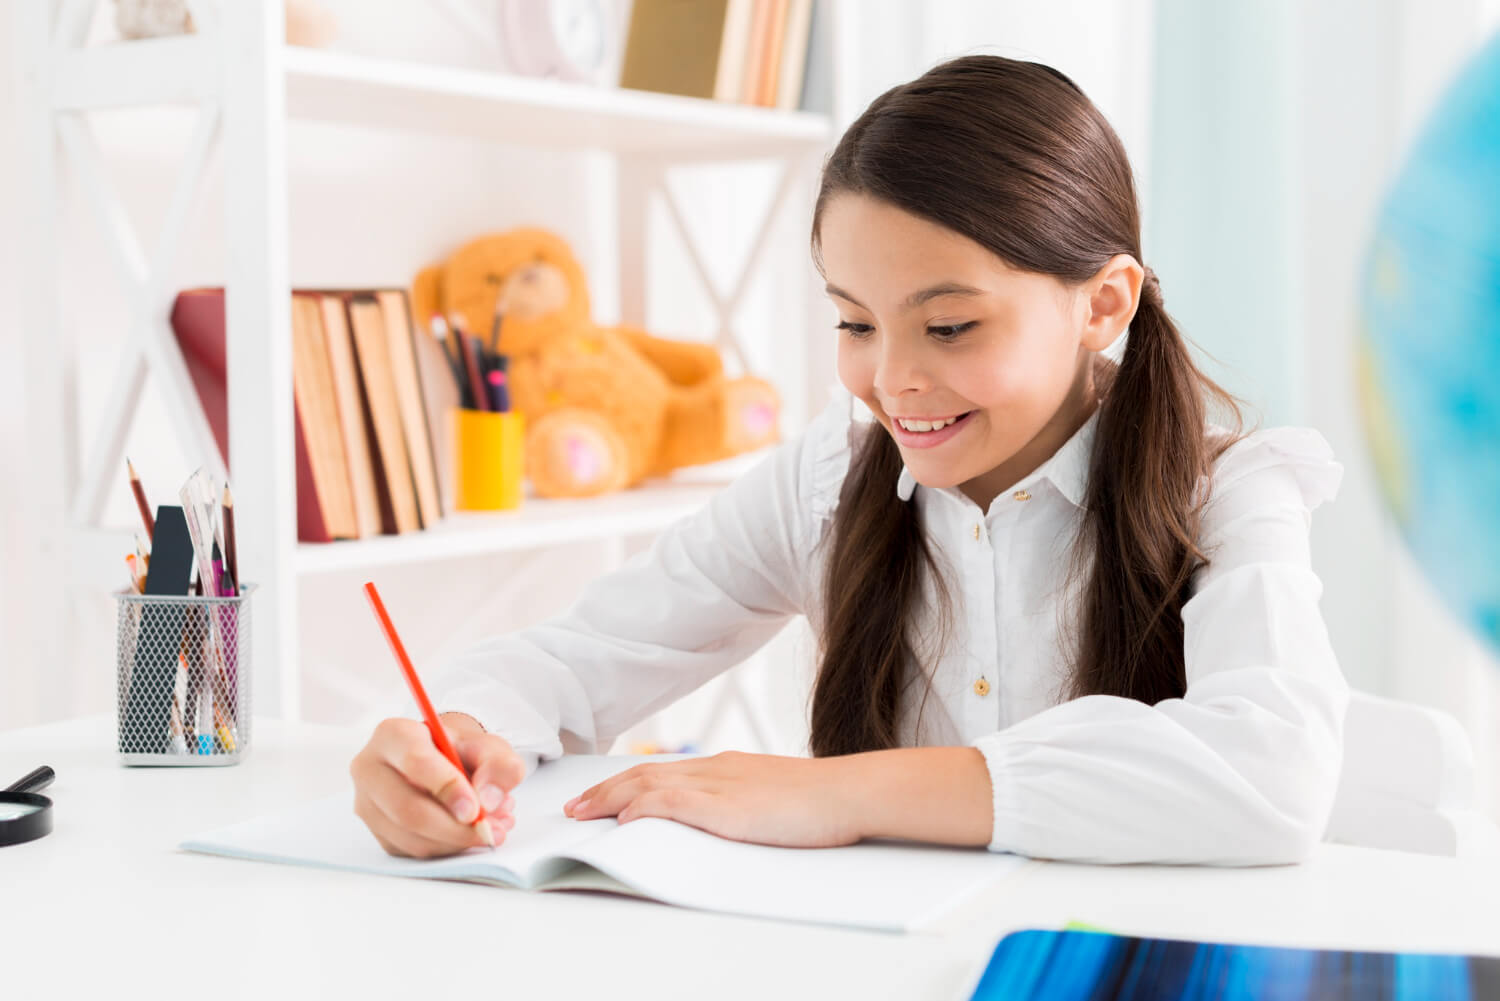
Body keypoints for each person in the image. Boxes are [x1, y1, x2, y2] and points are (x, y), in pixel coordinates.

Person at [349, 55, 1347, 865]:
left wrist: (839, 791)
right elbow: (582, 654)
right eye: (855, 321)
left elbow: (1272, 771)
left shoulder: (1228, 489)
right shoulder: (830, 476)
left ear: (1102, 304)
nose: (893, 379)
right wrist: (456, 735)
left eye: (949, 325)